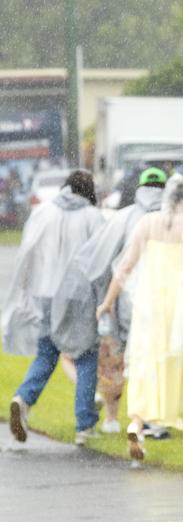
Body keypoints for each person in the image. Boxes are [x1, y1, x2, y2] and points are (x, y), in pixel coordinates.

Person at [96, 175, 183, 458]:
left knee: (147, 363)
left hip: (150, 306)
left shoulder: (147, 223)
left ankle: (138, 424)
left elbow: (125, 267)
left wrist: (107, 302)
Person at [52, 166, 166, 434]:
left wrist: (103, 299)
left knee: (116, 362)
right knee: (154, 360)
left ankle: (114, 419)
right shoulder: (177, 218)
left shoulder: (124, 217)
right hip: (163, 302)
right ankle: (152, 418)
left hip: (125, 299)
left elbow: (100, 258)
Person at [3, 170, 105, 445]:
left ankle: (23, 398)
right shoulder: (93, 217)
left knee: (46, 353)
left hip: (44, 293)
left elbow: (28, 251)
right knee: (85, 356)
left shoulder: (42, 213)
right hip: (78, 295)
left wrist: (26, 289)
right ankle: (85, 425)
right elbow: (100, 258)